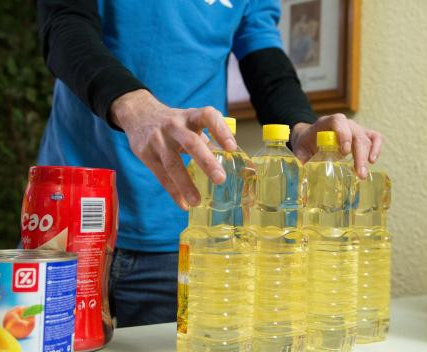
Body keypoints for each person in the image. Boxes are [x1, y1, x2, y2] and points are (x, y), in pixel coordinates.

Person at [37, 0, 382, 327]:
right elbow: (64, 25)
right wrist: (133, 106)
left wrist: (301, 127)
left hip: (184, 231)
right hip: (68, 219)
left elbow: (265, 62)